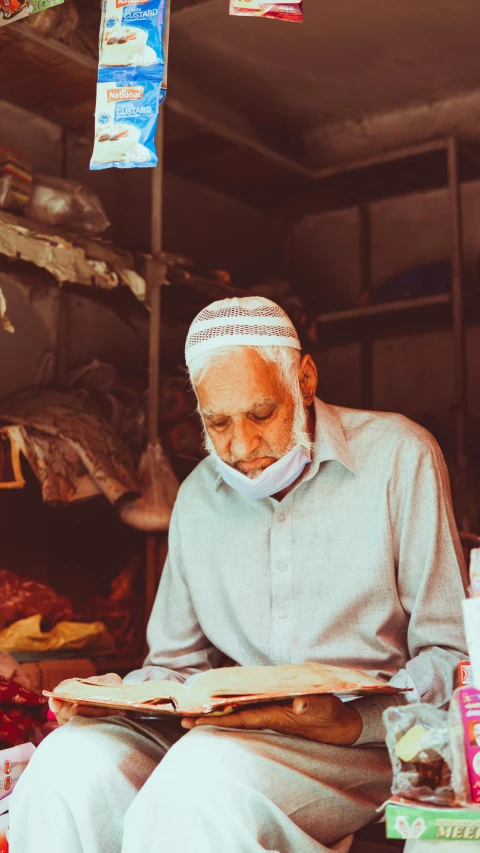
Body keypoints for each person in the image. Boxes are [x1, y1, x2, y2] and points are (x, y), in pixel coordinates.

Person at [9, 297, 467, 853]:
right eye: (217, 422)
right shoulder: (200, 494)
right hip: (229, 732)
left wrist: (350, 722)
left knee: (205, 777)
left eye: (261, 413)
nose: (241, 447)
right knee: (68, 762)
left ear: (304, 379)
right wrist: (115, 701)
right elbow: (175, 666)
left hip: (361, 747)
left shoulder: (400, 456)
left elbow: (453, 655)